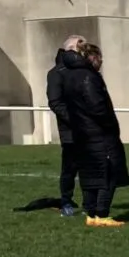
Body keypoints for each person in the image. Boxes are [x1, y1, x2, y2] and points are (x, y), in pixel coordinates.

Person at [62, 43, 129, 227]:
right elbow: (97, 106)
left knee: (90, 174)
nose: (101, 62)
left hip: (81, 134)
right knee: (108, 173)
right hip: (99, 134)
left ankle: (91, 214)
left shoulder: (69, 76)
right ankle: (102, 214)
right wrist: (109, 125)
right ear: (92, 57)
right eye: (100, 58)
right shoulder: (89, 77)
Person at [46, 35, 87, 216]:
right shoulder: (56, 72)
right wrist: (76, 118)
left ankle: (90, 203)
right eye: (81, 48)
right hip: (71, 130)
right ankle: (66, 201)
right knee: (70, 167)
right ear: (71, 49)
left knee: (91, 167)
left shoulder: (84, 70)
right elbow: (55, 102)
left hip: (89, 127)